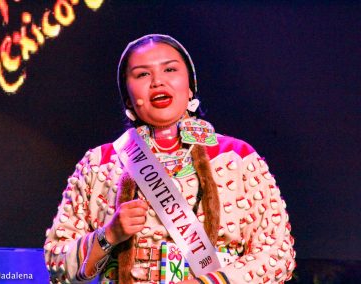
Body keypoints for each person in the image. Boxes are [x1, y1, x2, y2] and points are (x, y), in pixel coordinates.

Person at [44, 34, 295, 284]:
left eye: (170, 69)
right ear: (128, 97)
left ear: (190, 86)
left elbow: (277, 254)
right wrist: (109, 234)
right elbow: (56, 264)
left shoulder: (236, 157)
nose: (157, 82)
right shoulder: (99, 163)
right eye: (142, 74)